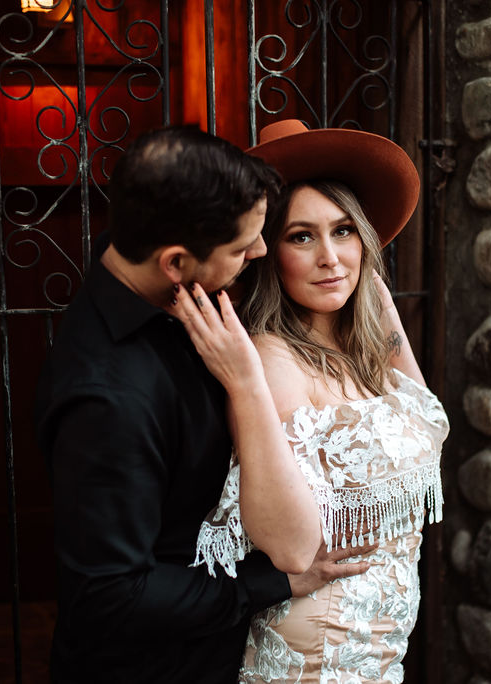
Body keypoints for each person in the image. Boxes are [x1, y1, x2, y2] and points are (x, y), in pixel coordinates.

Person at [34, 125, 374, 684]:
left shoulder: (142, 260)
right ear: (175, 262)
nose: (260, 252)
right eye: (243, 248)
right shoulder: (110, 399)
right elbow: (113, 593)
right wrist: (274, 584)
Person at [173, 119, 449, 683]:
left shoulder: (364, 352)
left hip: (379, 655)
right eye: (302, 237)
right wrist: (246, 386)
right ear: (267, 252)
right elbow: (292, 548)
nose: (330, 257)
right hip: (318, 656)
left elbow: (427, 419)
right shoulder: (273, 361)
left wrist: (373, 293)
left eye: (344, 231)